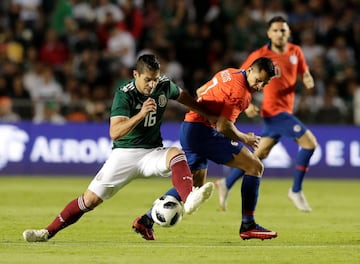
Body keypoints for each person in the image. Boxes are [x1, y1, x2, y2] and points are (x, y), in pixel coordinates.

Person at [22, 54, 215, 242]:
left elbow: (183, 97)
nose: (152, 84)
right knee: (89, 201)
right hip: (124, 155)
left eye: (155, 80)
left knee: (176, 154)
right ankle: (46, 232)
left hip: (151, 152)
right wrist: (140, 114)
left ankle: (189, 198)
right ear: (135, 75)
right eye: (147, 80)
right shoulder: (124, 94)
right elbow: (115, 132)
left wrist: (207, 115)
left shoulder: (163, 85)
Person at [137, 57, 278, 240]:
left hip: (192, 128)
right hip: (204, 132)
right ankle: (248, 225)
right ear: (250, 70)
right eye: (258, 80)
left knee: (194, 185)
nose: (259, 86)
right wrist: (245, 138)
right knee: (254, 167)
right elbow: (223, 127)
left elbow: (200, 91)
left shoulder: (230, 72)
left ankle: (146, 220)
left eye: (264, 84)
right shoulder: (240, 92)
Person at [215, 16, 318, 212]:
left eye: (283, 30)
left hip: (286, 110)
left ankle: (225, 183)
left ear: (288, 32)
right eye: (276, 30)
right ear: (269, 33)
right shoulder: (260, 55)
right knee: (309, 143)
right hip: (273, 112)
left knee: (258, 155)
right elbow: (239, 78)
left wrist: (307, 78)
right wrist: (247, 105)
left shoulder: (296, 51)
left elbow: (304, 72)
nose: (280, 33)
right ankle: (295, 190)